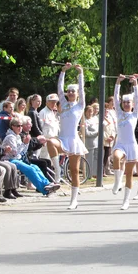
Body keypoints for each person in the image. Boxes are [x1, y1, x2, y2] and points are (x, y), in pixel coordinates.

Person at [45, 63, 88, 209]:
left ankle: (74, 200)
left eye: (72, 91)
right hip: (62, 138)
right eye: (68, 91)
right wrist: (63, 72)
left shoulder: (80, 105)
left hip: (73, 140)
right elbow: (59, 89)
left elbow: (82, 91)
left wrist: (80, 74)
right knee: (50, 142)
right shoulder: (62, 103)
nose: (70, 93)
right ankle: (57, 173)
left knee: (75, 171)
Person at [110, 75, 138, 210]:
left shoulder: (134, 114)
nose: (126, 104)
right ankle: (117, 181)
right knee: (116, 156)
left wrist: (135, 84)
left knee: (129, 175)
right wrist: (118, 82)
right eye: (124, 102)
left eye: (128, 103)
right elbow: (115, 97)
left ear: (132, 104)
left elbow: (136, 98)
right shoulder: (119, 112)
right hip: (120, 144)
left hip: (131, 145)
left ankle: (126, 200)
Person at [1, 116, 59, 197]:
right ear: (13, 126)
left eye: (21, 126)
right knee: (30, 169)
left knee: (35, 167)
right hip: (9, 159)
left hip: (17, 159)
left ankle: (47, 183)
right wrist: (24, 143)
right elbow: (15, 153)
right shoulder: (10, 137)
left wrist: (26, 143)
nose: (20, 128)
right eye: (18, 126)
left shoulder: (17, 136)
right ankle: (44, 189)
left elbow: (22, 152)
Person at [38, 94, 60, 160]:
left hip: (54, 140)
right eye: (52, 102)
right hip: (46, 141)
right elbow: (40, 127)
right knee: (46, 159)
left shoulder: (53, 113)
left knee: (53, 160)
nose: (54, 104)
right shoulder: (43, 112)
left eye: (55, 102)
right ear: (47, 102)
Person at [83, 105, 99, 180]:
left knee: (95, 159)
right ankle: (88, 174)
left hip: (96, 142)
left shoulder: (94, 119)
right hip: (89, 143)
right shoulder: (84, 121)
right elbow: (86, 133)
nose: (90, 113)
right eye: (88, 111)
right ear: (85, 112)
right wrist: (96, 133)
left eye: (91, 111)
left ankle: (95, 173)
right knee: (89, 159)